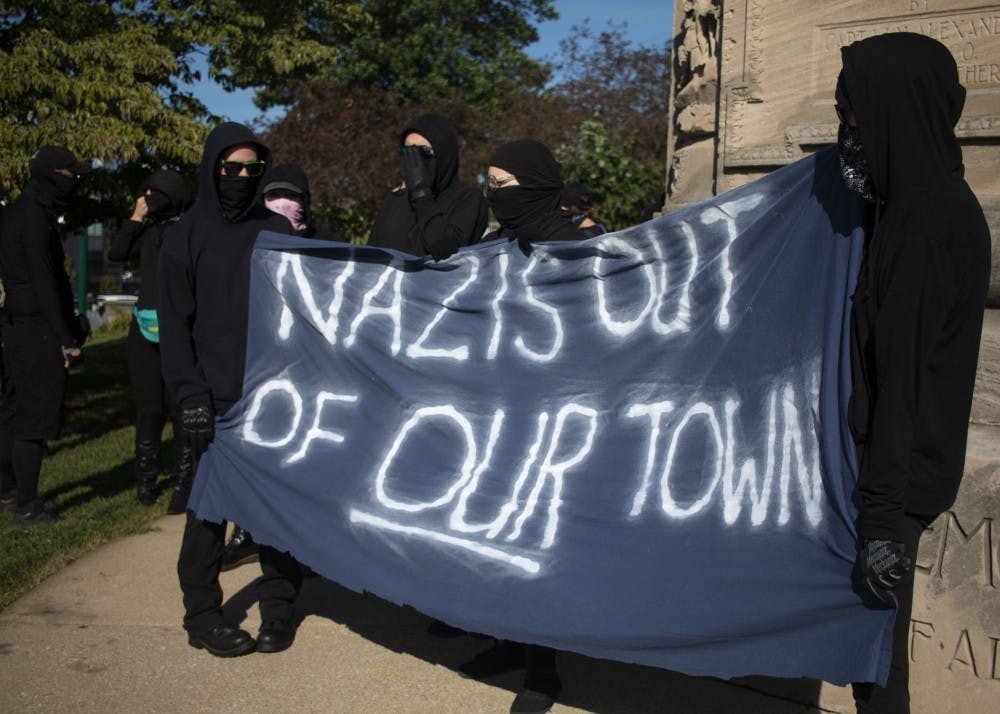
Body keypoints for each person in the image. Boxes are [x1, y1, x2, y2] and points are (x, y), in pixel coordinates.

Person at [836, 33, 991, 713]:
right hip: (890, 475)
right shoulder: (912, 208)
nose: (848, 138)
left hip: (895, 484)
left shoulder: (927, 224)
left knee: (877, 670)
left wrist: (880, 523)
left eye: (857, 120)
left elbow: (906, 383)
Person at [158, 122, 303, 657]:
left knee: (276, 512)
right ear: (212, 167)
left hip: (272, 399)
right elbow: (174, 325)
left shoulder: (278, 232)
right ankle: (202, 616)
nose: (241, 177)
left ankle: (280, 610)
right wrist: (189, 394)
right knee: (207, 514)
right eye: (231, 168)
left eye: (252, 169)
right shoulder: (186, 234)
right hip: (210, 399)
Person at [457, 139, 587, 714]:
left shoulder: (580, 248)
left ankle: (544, 670)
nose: (493, 194)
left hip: (553, 424)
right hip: (494, 415)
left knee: (540, 545)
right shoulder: (492, 247)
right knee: (496, 540)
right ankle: (509, 640)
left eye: (504, 184)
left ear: (536, 184)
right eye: (489, 182)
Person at [220, 162, 339, 571]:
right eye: (275, 198)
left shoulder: (327, 245)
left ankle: (300, 541)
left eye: (294, 198)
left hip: (308, 373)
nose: (286, 206)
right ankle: (248, 530)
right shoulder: (245, 241)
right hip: (257, 371)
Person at [0, 146, 91, 525]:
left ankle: (8, 492)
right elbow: (44, 284)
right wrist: (66, 338)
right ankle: (28, 505)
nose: (75, 183)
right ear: (53, 175)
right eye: (71, 175)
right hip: (36, 327)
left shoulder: (15, 212)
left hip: (16, 324)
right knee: (33, 417)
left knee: (13, 412)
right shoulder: (35, 217)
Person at [108, 170, 194, 510]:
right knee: (148, 409)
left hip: (181, 329)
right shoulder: (146, 233)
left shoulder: (188, 231)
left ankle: (182, 486)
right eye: (144, 192)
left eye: (154, 193)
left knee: (180, 409)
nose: (148, 197)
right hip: (143, 328)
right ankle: (145, 486)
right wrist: (136, 217)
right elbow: (116, 253)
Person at [369, 114, 488, 258]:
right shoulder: (397, 200)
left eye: (423, 151)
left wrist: (420, 193)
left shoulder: (468, 199)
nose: (415, 160)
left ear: (444, 152)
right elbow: (372, 259)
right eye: (408, 153)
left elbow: (446, 253)